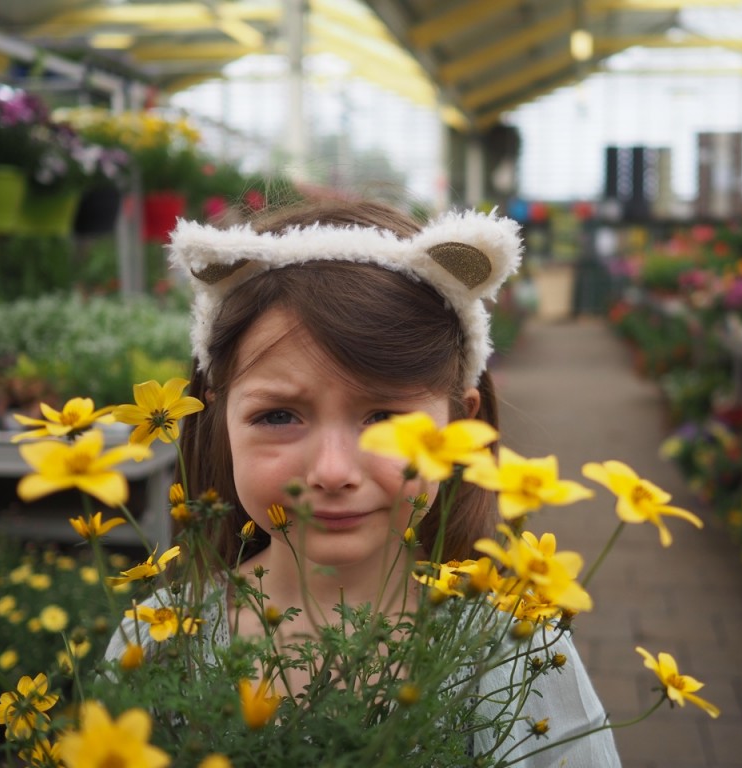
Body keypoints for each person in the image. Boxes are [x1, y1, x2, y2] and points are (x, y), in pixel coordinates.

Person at [107, 197, 621, 767]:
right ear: (218, 419)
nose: (332, 471)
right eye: (278, 416)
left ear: (463, 428)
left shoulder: (511, 654)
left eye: (386, 419)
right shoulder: (156, 640)